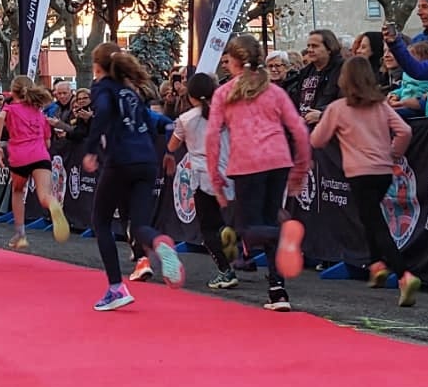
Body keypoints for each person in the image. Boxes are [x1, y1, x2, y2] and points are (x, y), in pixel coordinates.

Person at [297, 56, 422, 307]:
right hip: (383, 170)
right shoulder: (381, 106)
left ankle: (403, 274)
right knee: (369, 217)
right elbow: (404, 131)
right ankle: (377, 265)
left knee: (374, 222)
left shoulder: (338, 108)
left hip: (358, 172)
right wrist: (393, 153)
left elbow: (317, 140)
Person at [205, 34, 312, 312]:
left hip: (247, 164)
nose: (225, 65)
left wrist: (215, 177)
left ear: (236, 61)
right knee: (266, 220)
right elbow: (299, 129)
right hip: (278, 160)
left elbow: (213, 136)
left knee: (246, 228)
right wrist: (300, 166)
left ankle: (281, 238)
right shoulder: (274, 91)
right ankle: (278, 290)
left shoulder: (224, 93)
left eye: (227, 61)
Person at [82, 44, 181, 311]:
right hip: (147, 161)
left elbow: (102, 112)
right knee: (139, 225)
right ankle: (158, 243)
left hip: (121, 160)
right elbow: (153, 120)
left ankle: (116, 288)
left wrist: (91, 149)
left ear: (97, 66)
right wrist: (170, 127)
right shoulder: (131, 92)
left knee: (100, 221)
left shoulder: (103, 87)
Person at [166, 72, 237, 289]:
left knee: (208, 227)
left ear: (191, 96)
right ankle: (234, 238)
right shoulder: (226, 114)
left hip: (202, 175)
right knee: (226, 218)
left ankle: (225, 270)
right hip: (229, 171)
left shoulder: (186, 119)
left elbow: (172, 146)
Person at [0, 77, 67, 248]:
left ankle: (20, 235)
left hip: (19, 156)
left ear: (13, 92)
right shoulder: (39, 111)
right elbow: (48, 142)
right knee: (44, 195)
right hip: (40, 155)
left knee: (18, 191)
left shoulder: (10, 108)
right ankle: (53, 204)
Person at [288, 29, 344, 128]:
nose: (309, 50)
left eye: (315, 46)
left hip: (328, 129)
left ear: (329, 49)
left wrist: (323, 114)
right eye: (308, 46)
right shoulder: (305, 72)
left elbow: (345, 101)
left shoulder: (342, 69)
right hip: (304, 128)